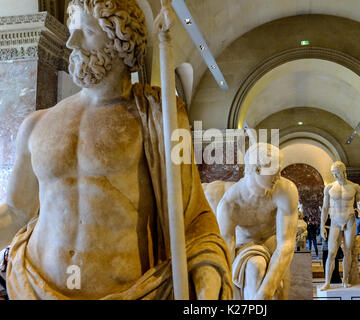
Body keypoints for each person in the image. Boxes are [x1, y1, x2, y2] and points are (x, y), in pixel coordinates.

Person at [0, 0, 232, 300]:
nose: (72, 42)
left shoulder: (159, 117)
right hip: (33, 286)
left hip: (130, 291)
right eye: (72, 31)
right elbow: (16, 211)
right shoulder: (37, 124)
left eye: (86, 31)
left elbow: (194, 214)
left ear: (121, 41)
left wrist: (206, 276)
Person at [217, 143, 299, 300]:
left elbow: (286, 244)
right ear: (257, 169)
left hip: (276, 249)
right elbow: (226, 253)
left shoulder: (285, 190)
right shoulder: (230, 204)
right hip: (245, 247)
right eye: (275, 170)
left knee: (277, 290)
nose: (279, 176)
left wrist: (265, 292)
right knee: (255, 267)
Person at [319, 161, 360, 291]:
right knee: (331, 252)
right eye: (333, 174)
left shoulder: (355, 187)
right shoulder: (329, 188)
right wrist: (322, 225)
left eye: (337, 173)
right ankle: (327, 282)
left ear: (344, 172)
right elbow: (325, 208)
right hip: (335, 222)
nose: (335, 176)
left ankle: (345, 280)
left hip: (349, 220)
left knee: (348, 251)